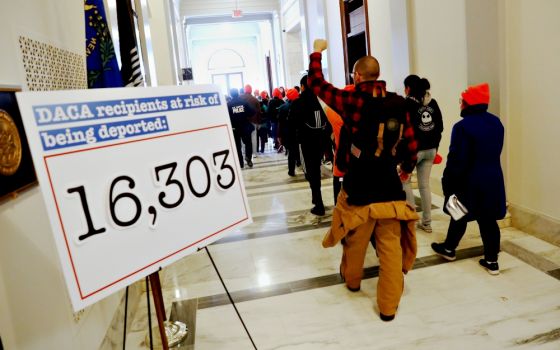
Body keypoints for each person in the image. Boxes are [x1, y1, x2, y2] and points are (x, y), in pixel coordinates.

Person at [309, 39, 418, 322]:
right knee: (390, 249)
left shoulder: (353, 100)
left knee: (356, 241)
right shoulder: (399, 103)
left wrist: (317, 53)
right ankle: (388, 307)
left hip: (359, 186)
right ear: (377, 75)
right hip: (390, 188)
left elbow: (317, 84)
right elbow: (411, 143)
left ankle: (353, 282)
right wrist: (406, 168)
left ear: (357, 76)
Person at [431, 83, 506, 275]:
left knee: (458, 213)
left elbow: (457, 158)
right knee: (488, 220)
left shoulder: (462, 127)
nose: (460, 104)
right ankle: (492, 261)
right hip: (492, 178)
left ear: (467, 103)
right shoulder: (496, 122)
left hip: (468, 180)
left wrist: (448, 180)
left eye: (461, 101)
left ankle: (449, 249)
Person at [402, 75, 444, 233]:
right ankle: (427, 223)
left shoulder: (407, 104)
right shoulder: (433, 102)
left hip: (414, 151)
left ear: (408, 88)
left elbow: (404, 131)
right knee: (424, 186)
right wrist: (435, 148)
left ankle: (411, 222)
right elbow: (440, 127)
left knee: (405, 182)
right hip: (431, 150)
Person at [291, 75, 328, 215]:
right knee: (316, 171)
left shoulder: (298, 103)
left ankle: (318, 204)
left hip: (305, 143)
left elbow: (292, 125)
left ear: (302, 86)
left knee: (311, 173)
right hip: (321, 142)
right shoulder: (321, 100)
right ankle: (319, 202)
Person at [227, 88, 255, 168]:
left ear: (230, 95)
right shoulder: (244, 102)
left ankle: (240, 163)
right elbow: (252, 112)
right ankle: (248, 158)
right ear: (238, 93)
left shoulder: (229, 104)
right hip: (245, 126)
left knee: (237, 146)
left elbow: (227, 117)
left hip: (235, 128)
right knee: (248, 143)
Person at [240, 84, 262, 158]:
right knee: (254, 138)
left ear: (244, 90)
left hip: (243, 121)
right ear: (251, 90)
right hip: (253, 121)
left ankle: (244, 152)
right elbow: (259, 112)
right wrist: (259, 123)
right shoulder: (255, 99)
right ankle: (254, 153)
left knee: (244, 138)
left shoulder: (240, 98)